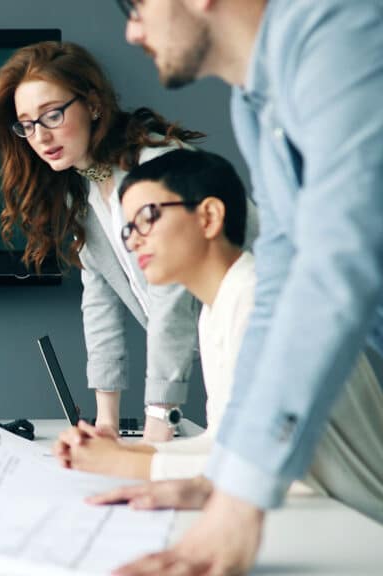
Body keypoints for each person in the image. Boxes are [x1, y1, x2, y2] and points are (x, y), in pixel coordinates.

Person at [96, 1, 383, 574]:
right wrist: (221, 483)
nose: (131, 31)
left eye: (136, 5)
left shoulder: (338, 33)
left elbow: (334, 265)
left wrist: (239, 505)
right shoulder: (255, 106)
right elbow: (283, 277)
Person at [55, 150, 383, 522]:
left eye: (147, 219)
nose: (133, 242)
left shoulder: (261, 302)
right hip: (319, 515)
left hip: (361, 526)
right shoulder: (218, 307)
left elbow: (260, 464)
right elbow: (225, 446)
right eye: (127, 229)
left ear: (209, 216)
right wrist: (121, 453)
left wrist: (120, 463)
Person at [0, 41, 212, 441]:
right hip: (224, 350)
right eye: (27, 124)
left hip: (272, 338)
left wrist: (159, 421)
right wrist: (105, 423)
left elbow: (171, 299)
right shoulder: (84, 193)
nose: (40, 136)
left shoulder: (157, 170)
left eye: (52, 115)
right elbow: (100, 303)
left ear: (92, 104)